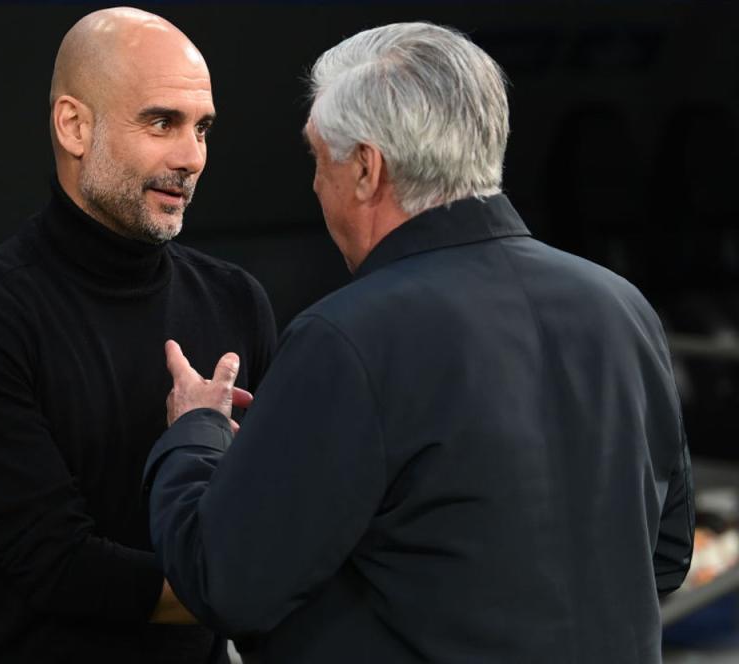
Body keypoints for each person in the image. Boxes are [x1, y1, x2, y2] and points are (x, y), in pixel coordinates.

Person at [143, 21, 694, 663]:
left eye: (319, 160)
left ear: (366, 170)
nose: (316, 185)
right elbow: (666, 555)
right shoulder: (622, 308)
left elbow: (225, 582)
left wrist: (195, 432)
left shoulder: (349, 338)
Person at [0, 7, 276, 663]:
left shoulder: (234, 300)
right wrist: (250, 587)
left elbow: (275, 520)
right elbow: (58, 567)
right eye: (161, 122)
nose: (191, 157)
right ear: (75, 126)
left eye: (203, 128)